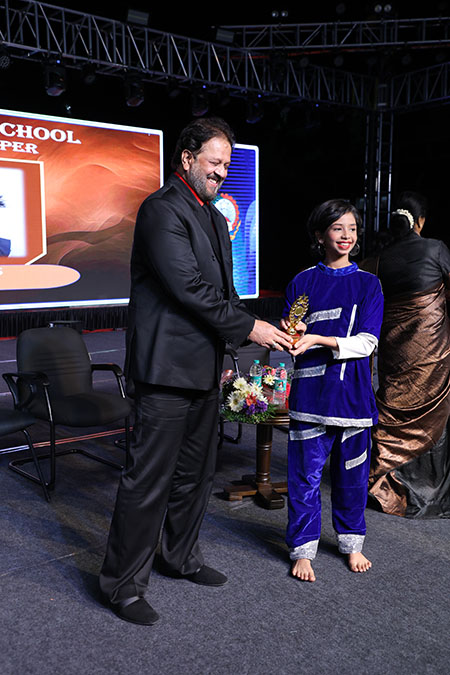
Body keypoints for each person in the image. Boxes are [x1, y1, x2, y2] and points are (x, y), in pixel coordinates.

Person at [99, 117, 292, 625]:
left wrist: (249, 339)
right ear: (186, 158)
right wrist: (251, 327)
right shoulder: (162, 209)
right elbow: (187, 288)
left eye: (227, 164)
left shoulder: (212, 216)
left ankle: (179, 557)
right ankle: (122, 587)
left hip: (205, 370)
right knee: (147, 481)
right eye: (214, 161)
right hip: (164, 372)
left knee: (196, 475)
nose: (222, 171)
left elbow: (225, 292)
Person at [282, 199, 383, 582]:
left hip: (353, 399)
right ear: (320, 234)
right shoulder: (302, 282)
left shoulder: (369, 284)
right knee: (304, 478)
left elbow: (367, 343)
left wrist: (318, 339)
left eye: (352, 228)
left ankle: (352, 543)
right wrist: (293, 336)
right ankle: (302, 549)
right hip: (310, 397)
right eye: (338, 228)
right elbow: (294, 334)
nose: (346, 236)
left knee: (352, 478)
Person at [364, 192, 450, 517]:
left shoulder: (377, 260)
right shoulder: (436, 249)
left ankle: (389, 482)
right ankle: (432, 490)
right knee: (435, 415)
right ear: (420, 221)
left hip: (395, 352)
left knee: (394, 406)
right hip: (432, 352)